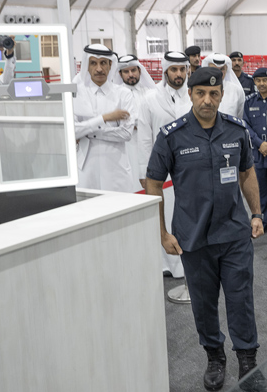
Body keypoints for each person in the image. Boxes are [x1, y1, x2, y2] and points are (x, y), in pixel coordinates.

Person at [145, 66, 267, 392]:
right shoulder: (171, 136)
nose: (207, 100)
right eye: (200, 93)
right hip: (193, 238)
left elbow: (247, 173)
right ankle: (214, 358)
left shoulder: (234, 130)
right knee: (203, 305)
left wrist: (257, 213)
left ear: (222, 95)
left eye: (214, 94)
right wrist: (161, 233)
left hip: (233, 234)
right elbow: (153, 185)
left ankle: (248, 364)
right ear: (190, 94)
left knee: (240, 300)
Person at [140, 50, 192, 280]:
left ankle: (187, 263)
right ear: (165, 71)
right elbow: (144, 138)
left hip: (190, 168)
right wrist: (145, 170)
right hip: (160, 171)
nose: (178, 74)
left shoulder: (195, 95)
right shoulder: (150, 99)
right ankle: (166, 264)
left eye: (182, 69)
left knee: (187, 215)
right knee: (163, 216)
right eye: (174, 69)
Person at [73, 44, 136, 192]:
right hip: (86, 170)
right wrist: (105, 118)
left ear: (110, 65)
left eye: (103, 63)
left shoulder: (123, 94)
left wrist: (88, 131)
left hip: (117, 169)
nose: (99, 69)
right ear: (87, 66)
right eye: (93, 63)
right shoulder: (77, 94)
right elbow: (72, 132)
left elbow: (126, 134)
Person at [243, 67, 267, 232]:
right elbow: (245, 125)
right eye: (258, 80)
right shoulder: (249, 101)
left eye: (265, 80)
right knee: (261, 191)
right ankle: (263, 223)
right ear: (254, 82)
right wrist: (259, 143)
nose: (262, 83)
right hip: (257, 153)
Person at [115, 54, 155, 191]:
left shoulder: (150, 93)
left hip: (149, 145)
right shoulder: (115, 96)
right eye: (126, 72)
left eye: (133, 70)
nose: (130, 74)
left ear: (139, 71)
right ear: (120, 74)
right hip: (126, 148)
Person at [204, 52, 245, 119]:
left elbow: (240, 115)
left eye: (222, 69)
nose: (219, 73)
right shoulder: (201, 88)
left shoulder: (236, 90)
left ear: (227, 69)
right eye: (214, 69)